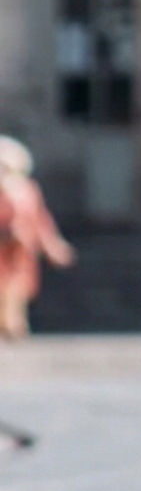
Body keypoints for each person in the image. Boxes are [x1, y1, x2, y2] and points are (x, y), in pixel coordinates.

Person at [0, 138, 75, 341]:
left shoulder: (27, 190)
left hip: (20, 250)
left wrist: (53, 246)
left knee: (17, 289)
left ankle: (13, 323)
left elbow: (40, 221)